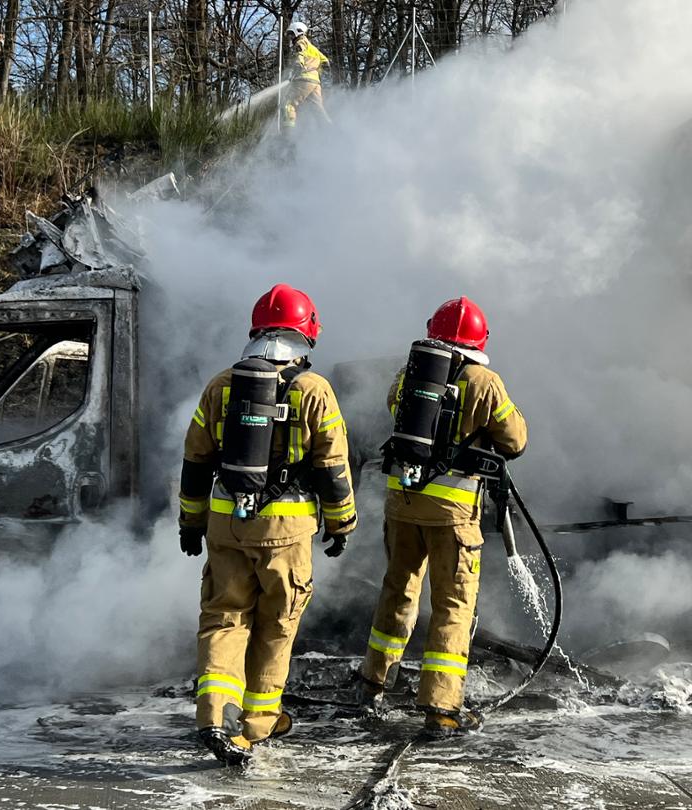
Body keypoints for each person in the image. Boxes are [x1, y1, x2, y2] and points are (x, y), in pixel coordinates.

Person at [177, 284, 358, 765]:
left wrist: (190, 522)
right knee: (277, 624)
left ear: (256, 330)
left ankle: (212, 714)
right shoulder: (313, 390)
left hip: (225, 523)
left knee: (223, 617)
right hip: (286, 531)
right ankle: (255, 726)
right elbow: (333, 465)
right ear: (306, 335)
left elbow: (195, 459)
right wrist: (342, 524)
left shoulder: (220, 385)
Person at [356, 297, 527, 737]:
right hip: (452, 513)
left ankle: (373, 683)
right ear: (480, 338)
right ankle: (440, 707)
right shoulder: (484, 381)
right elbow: (515, 440)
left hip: (402, 501)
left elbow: (395, 406)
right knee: (452, 605)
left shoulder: (412, 373)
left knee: (398, 589)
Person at [282, 19, 331, 129]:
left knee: (288, 104)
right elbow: (325, 62)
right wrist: (317, 71)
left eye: (291, 34)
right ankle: (330, 130)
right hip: (315, 83)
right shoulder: (314, 48)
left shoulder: (300, 42)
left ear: (297, 32)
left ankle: (287, 136)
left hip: (303, 79)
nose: (290, 38)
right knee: (317, 109)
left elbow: (300, 53)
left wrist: (299, 65)